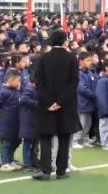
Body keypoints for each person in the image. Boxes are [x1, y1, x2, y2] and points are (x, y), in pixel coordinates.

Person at [32, 29, 80, 180]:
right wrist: (60, 102)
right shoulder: (72, 58)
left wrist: (49, 102)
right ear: (65, 41)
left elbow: (39, 82)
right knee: (64, 138)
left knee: (46, 137)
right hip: (66, 104)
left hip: (46, 104)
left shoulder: (42, 58)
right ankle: (61, 170)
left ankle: (45, 170)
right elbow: (73, 83)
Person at [0, 69, 22, 171]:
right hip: (5, 122)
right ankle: (4, 163)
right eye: (17, 80)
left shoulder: (15, 91)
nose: (19, 83)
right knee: (6, 143)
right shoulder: (3, 92)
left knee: (13, 142)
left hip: (14, 122)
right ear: (10, 80)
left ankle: (11, 161)